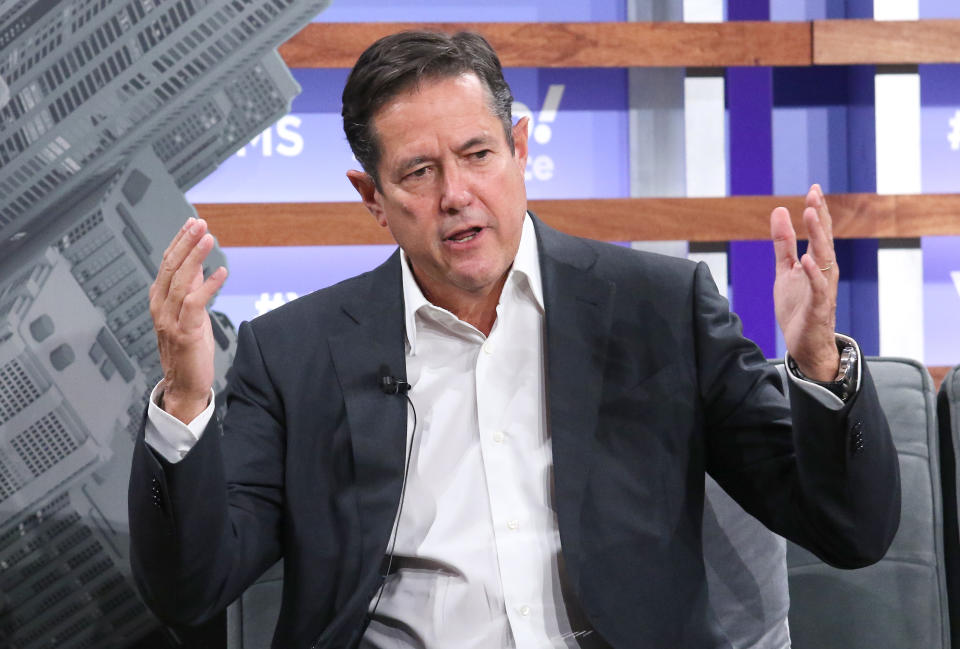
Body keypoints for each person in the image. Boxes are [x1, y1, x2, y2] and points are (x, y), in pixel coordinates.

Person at [129, 31, 901, 649]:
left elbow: (849, 530)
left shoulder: (659, 308)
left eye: (477, 155)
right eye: (420, 172)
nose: (457, 195)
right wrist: (187, 399)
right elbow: (192, 587)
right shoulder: (292, 353)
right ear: (372, 197)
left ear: (521, 148)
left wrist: (817, 364)